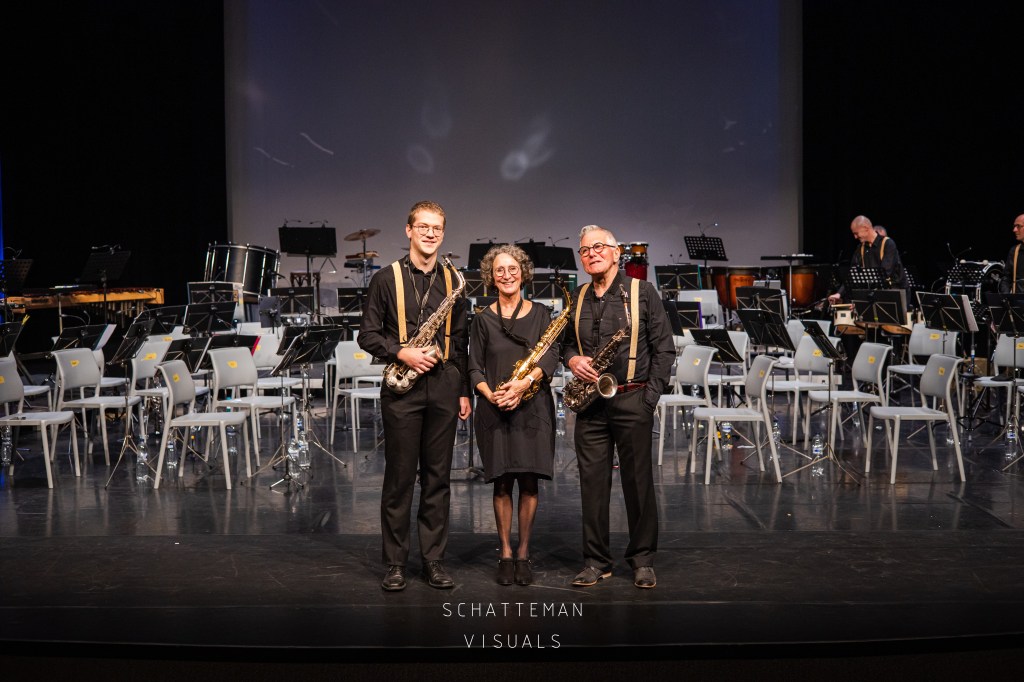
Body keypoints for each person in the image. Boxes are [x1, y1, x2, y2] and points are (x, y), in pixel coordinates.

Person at [358, 200, 472, 592]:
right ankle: (395, 564)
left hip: (443, 384)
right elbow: (367, 335)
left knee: (438, 479)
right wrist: (401, 352)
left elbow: (460, 341)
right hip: (401, 386)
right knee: (400, 478)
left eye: (437, 228)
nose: (430, 233)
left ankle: (433, 561)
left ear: (443, 233)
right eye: (423, 226)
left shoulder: (454, 281)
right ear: (409, 230)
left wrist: (462, 390)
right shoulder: (385, 279)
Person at [561, 225, 675, 589]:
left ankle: (642, 560)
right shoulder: (577, 296)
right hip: (590, 404)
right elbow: (565, 344)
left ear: (616, 252)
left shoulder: (643, 292)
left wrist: (648, 399)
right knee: (592, 486)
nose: (591, 254)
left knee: (638, 484)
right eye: (584, 250)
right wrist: (573, 359)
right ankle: (596, 561)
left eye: (598, 247)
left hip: (632, 398)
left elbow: (664, 349)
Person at [468, 244, 558, 586]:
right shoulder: (482, 319)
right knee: (502, 483)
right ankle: (505, 553)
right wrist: (490, 394)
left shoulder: (542, 314)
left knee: (530, 483)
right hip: (495, 409)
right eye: (499, 271)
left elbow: (550, 357)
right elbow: (474, 366)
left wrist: (523, 385)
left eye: (513, 269)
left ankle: (523, 553)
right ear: (491, 277)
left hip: (533, 408)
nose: (507, 275)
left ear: (523, 273)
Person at [827, 215, 908, 303]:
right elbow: (852, 275)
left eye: (856, 233)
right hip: (876, 292)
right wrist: (839, 294)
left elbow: (884, 273)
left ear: (865, 228)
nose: (855, 237)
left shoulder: (888, 244)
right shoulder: (860, 248)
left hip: (896, 291)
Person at [998, 214, 1024, 293]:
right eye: (1014, 226)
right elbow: (1006, 278)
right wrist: (1007, 296)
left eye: (1018, 226)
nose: (1014, 230)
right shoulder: (1014, 251)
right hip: (1018, 299)